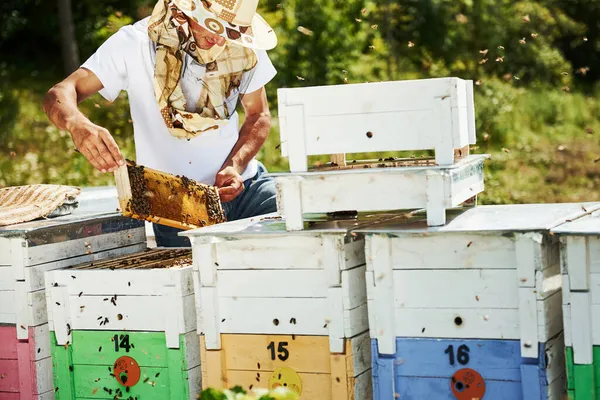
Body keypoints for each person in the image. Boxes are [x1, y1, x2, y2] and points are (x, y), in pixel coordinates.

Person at [43, 0, 279, 247]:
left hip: (249, 191)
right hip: (177, 206)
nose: (223, 40)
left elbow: (258, 115)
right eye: (217, 27)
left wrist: (235, 166)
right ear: (190, 10)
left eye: (232, 30)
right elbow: (58, 94)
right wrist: (77, 124)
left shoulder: (242, 41)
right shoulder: (134, 43)